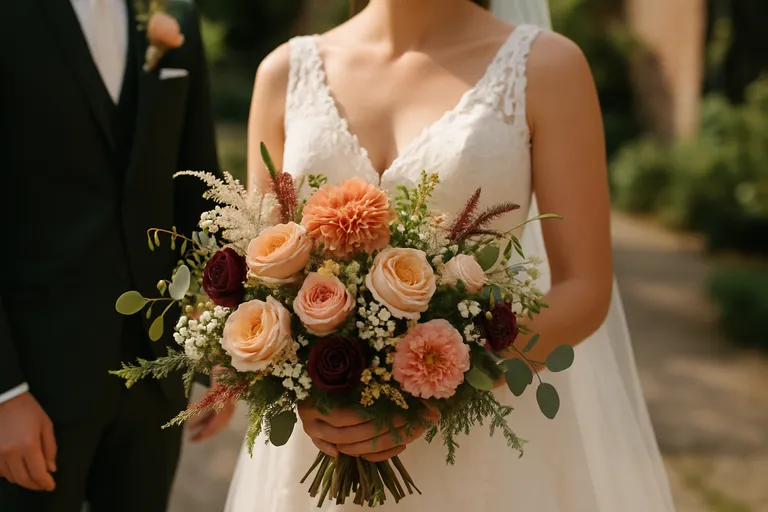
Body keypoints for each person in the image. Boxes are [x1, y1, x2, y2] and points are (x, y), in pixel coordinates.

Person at [226, 0, 677, 510]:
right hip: (319, 446)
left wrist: (435, 389)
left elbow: (585, 290)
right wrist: (309, 392)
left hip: (482, 444)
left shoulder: (548, 68)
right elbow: (260, 270)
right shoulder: (284, 72)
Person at [0, 1, 234, 511]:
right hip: (33, 385)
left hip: (154, 382)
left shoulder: (176, 16)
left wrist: (224, 340)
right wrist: (4, 392)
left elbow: (198, 192)